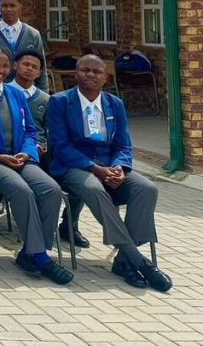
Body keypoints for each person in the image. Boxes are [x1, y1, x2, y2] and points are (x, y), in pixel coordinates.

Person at [47, 55, 171, 291]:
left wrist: (120, 168)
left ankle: (123, 261)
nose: (90, 75)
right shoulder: (60, 101)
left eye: (97, 72)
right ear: (76, 74)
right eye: (85, 70)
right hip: (73, 167)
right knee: (94, 188)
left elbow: (123, 145)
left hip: (109, 166)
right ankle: (139, 261)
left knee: (146, 189)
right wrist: (94, 169)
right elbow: (60, 145)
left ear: (105, 77)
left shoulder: (115, 104)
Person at [0, 46, 73, 285]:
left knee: (51, 189)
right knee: (21, 190)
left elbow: (30, 130)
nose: (1, 70)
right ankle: (40, 256)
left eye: (5, 65)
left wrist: (26, 153)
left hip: (19, 157)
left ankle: (29, 251)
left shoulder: (15, 94)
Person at [11, 49, 86, 249]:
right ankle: (33, 227)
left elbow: (52, 129)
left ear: (39, 73)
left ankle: (69, 225)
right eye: (26, 64)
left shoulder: (46, 99)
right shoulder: (3, 93)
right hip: (13, 153)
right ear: (15, 65)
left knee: (78, 173)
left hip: (43, 153)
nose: (29, 69)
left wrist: (46, 145)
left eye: (35, 67)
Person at [0, 0, 48, 89]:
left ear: (20, 8)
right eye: (4, 6)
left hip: (27, 91)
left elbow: (41, 68)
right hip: (0, 92)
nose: (8, 9)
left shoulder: (33, 34)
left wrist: (43, 94)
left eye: (13, 6)